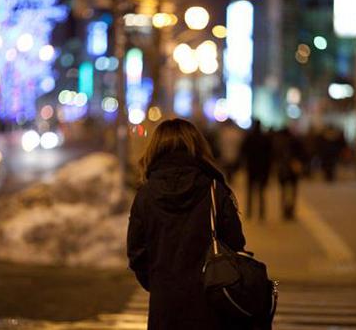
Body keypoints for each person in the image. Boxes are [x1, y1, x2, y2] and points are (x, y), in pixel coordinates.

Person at [127, 118, 253, 330]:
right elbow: (236, 245)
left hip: (164, 307)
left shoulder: (145, 195)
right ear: (198, 147)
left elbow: (136, 253)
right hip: (210, 304)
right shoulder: (214, 190)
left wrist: (159, 283)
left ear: (156, 148)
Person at [240, 120, 272, 220]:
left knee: (250, 191)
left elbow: (243, 151)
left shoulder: (250, 138)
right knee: (261, 192)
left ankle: (249, 211)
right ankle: (261, 213)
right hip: (262, 168)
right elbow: (270, 155)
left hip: (252, 168)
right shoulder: (265, 139)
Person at [273, 127, 304, 220]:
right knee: (293, 191)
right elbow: (302, 154)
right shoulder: (295, 141)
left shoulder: (278, 143)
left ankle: (284, 209)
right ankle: (291, 209)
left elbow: (275, 156)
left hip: (283, 170)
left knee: (283, 191)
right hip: (293, 170)